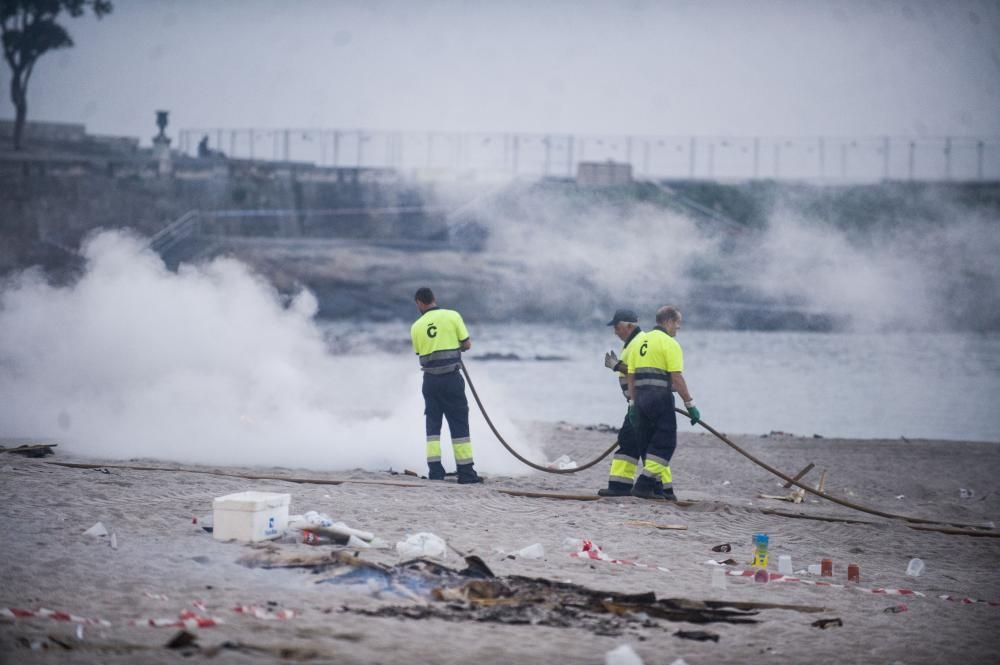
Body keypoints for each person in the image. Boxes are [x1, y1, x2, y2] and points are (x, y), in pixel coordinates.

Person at [626, 305, 701, 501]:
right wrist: (690, 405)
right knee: (665, 444)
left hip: (641, 399)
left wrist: (633, 404)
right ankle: (643, 484)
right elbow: (676, 377)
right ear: (668, 321)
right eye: (678, 323)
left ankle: (657, 488)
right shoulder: (669, 344)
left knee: (648, 443)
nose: (679, 327)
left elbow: (631, 376)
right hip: (660, 399)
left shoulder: (638, 341)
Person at [410, 287, 483, 484]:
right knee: (459, 424)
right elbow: (467, 344)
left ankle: (435, 472)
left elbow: (422, 353)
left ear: (419, 303)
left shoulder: (416, 327)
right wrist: (454, 346)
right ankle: (466, 473)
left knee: (433, 427)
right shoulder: (452, 316)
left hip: (430, 382)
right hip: (451, 379)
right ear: (434, 299)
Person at [598, 309, 645, 497]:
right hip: (638, 402)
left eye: (617, 327)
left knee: (630, 442)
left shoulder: (639, 343)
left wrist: (616, 366)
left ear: (629, 325)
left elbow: (640, 371)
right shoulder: (632, 343)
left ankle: (619, 487)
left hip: (640, 403)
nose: (615, 331)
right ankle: (660, 488)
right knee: (643, 445)